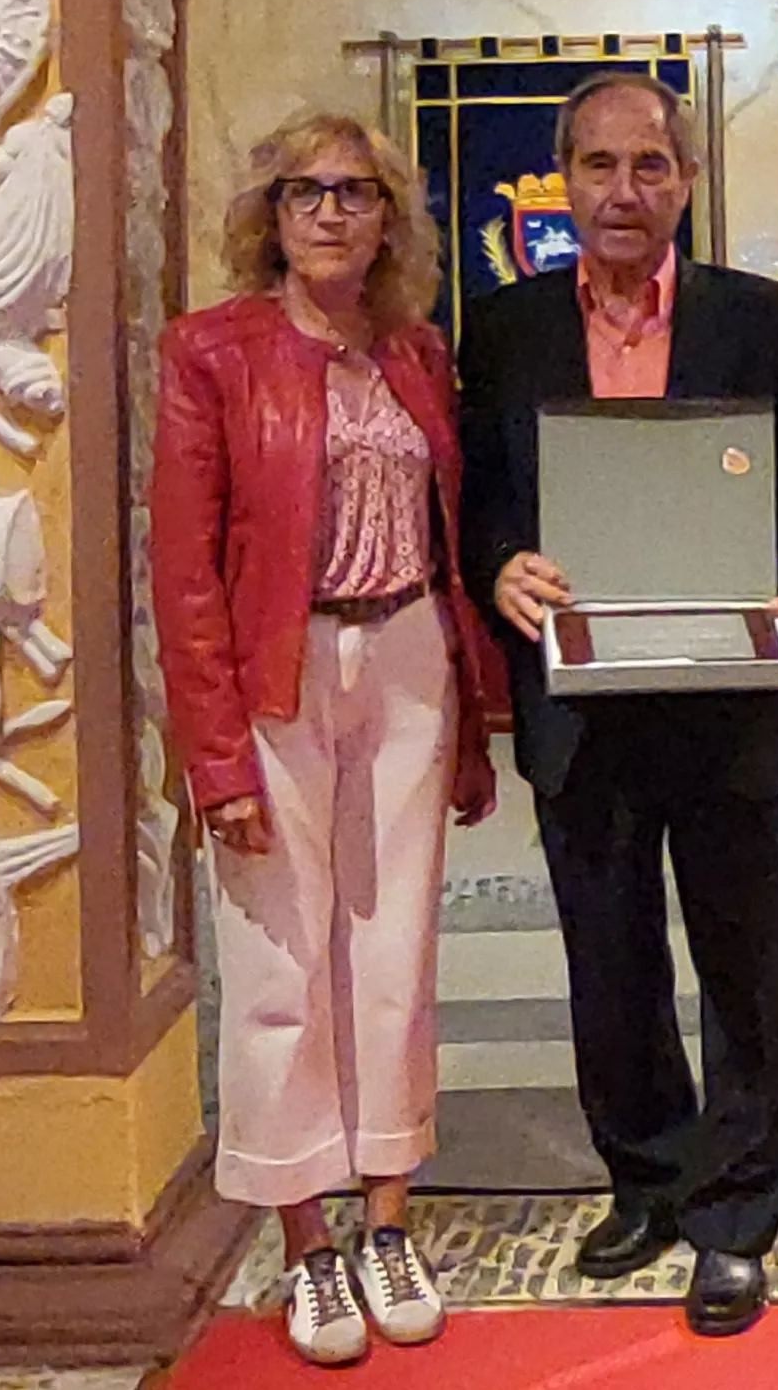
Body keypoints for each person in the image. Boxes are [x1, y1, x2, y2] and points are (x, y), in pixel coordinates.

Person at [458, 71, 778, 1339]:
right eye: (599, 165)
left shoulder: (765, 322)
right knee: (610, 963)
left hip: (730, 699)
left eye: (650, 165)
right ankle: (646, 1178)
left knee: (749, 967)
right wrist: (496, 566)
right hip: (581, 705)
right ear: (563, 182)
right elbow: (479, 502)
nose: (624, 191)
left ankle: (736, 1215)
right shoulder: (506, 329)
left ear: (686, 181)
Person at [150, 110, 499, 1369]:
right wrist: (216, 759)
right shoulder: (212, 352)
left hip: (407, 657)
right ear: (272, 214)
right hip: (276, 670)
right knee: (279, 959)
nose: (332, 213)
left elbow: (454, 532)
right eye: (307, 192)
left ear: (390, 217)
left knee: (393, 948)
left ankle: (387, 1219)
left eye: (357, 192)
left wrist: (470, 723)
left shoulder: (415, 351)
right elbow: (183, 571)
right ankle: (306, 1240)